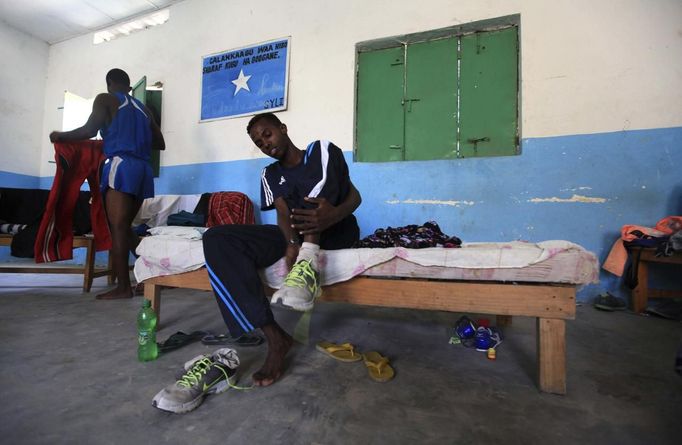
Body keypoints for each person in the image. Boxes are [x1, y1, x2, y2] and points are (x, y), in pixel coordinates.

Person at [202, 112, 361, 387]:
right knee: (217, 239)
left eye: (267, 134)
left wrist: (330, 217)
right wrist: (290, 245)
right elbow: (282, 214)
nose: (265, 143)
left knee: (315, 183)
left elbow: (354, 196)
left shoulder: (321, 152)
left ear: (283, 128)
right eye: (259, 142)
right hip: (297, 235)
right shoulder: (269, 174)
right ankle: (275, 337)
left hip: (337, 229)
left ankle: (308, 259)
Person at [49, 68, 165, 300]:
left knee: (118, 228)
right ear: (129, 86)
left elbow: (89, 130)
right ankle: (157, 272)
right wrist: (135, 137)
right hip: (143, 169)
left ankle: (124, 287)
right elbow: (160, 143)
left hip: (121, 165)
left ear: (109, 83)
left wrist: (60, 135)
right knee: (125, 227)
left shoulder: (106, 99)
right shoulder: (144, 110)